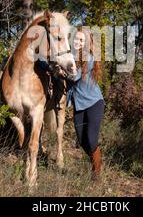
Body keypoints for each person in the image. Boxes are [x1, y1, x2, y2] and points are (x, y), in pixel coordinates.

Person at [65, 27, 104, 180]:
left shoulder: (89, 58)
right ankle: (97, 161)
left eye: (81, 40)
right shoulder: (69, 56)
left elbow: (74, 77)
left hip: (94, 103)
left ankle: (97, 173)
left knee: (91, 139)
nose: (77, 42)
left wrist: (61, 70)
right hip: (79, 105)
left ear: (87, 43)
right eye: (76, 38)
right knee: (82, 141)